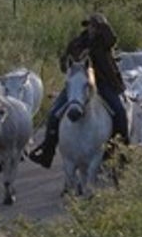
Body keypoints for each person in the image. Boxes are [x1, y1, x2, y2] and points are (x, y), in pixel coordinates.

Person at [28, 13, 129, 169]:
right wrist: (75, 61)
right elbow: (64, 64)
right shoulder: (76, 44)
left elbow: (112, 39)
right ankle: (47, 151)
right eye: (90, 25)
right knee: (54, 113)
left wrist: (103, 27)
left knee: (120, 112)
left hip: (103, 84)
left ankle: (121, 152)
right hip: (78, 83)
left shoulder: (104, 43)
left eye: (96, 26)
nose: (92, 29)